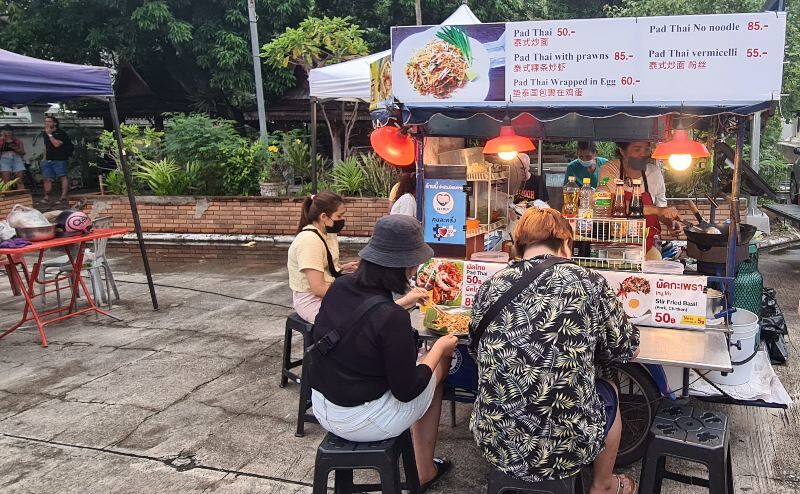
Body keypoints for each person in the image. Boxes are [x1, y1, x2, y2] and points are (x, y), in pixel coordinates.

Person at [469, 207, 640, 494]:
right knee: (608, 385)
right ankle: (603, 486)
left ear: (519, 246)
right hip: (566, 447)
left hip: (494, 439)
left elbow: (476, 349)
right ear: (565, 243)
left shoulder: (490, 286)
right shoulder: (591, 282)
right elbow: (625, 347)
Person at [309, 214, 458, 490]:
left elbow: (365, 320)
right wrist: (439, 348)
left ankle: (423, 465)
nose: (414, 271)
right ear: (402, 267)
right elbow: (407, 390)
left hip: (323, 405)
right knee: (436, 368)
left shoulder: (340, 287)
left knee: (421, 364)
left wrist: (404, 302)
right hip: (361, 420)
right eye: (413, 265)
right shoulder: (391, 318)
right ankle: (425, 469)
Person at [599, 141, 682, 254]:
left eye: (646, 149)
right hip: (613, 242)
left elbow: (661, 210)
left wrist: (670, 223)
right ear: (622, 151)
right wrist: (659, 210)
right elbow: (617, 206)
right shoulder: (610, 169)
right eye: (637, 149)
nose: (643, 154)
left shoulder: (654, 173)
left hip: (644, 244)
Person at [287, 192, 358, 323]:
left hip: (327, 291)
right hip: (310, 300)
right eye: (339, 216)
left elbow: (324, 265)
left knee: (366, 310)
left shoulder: (328, 233)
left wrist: (342, 267)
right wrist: (350, 295)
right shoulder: (309, 240)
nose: (342, 220)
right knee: (356, 321)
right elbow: (318, 289)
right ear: (324, 216)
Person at [41, 116, 72, 205]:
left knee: (62, 177)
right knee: (47, 178)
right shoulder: (45, 133)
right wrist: (44, 158)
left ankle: (63, 197)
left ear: (55, 123)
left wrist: (50, 134)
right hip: (48, 159)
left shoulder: (61, 133)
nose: (47, 123)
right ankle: (47, 197)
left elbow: (56, 144)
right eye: (45, 121)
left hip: (60, 159)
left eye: (49, 121)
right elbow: (46, 146)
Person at [0, 125, 26, 189]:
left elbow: (23, 153)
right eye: (6, 130)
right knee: (6, 182)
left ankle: (21, 196)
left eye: (9, 130)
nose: (8, 132)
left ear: (12, 131)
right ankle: (8, 198)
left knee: (19, 180)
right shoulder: (1, 140)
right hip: (4, 159)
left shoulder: (18, 141)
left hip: (16, 159)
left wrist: (16, 149)